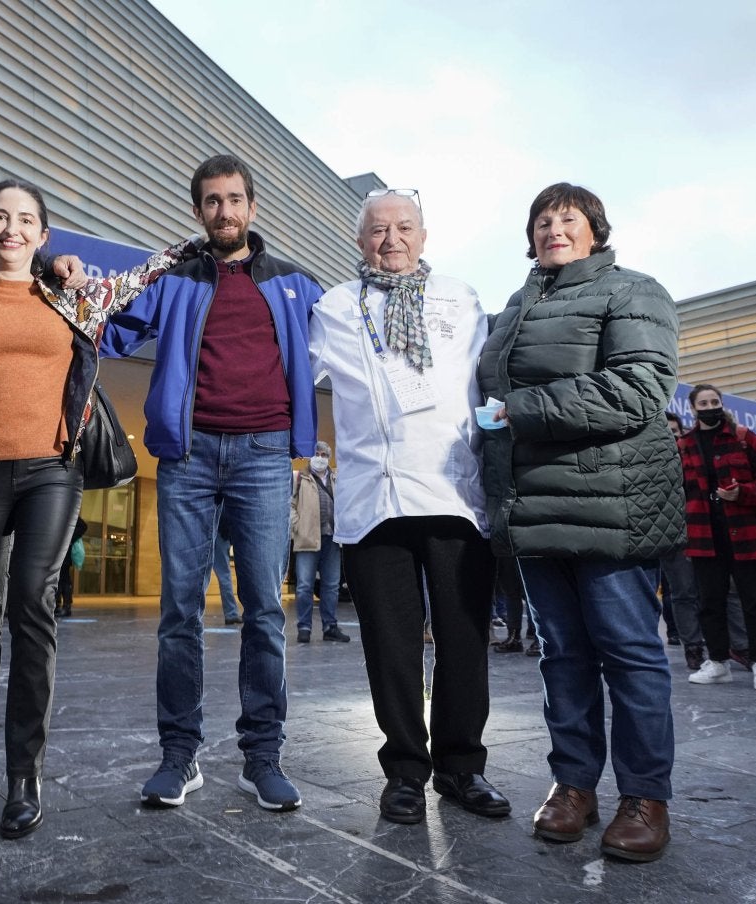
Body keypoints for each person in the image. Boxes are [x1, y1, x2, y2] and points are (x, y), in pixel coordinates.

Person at [0, 178, 193, 839]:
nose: (11, 228)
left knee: (32, 604)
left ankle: (25, 772)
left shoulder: (69, 293)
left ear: (44, 235)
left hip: (53, 469)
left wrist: (182, 248)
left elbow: (135, 282)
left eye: (25, 220)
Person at [101, 154, 323, 813]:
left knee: (262, 611)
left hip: (263, 455)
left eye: (234, 200)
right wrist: (73, 284)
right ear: (198, 210)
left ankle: (263, 757)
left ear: (252, 208)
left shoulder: (292, 282)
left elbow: (352, 342)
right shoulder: (174, 279)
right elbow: (111, 329)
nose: (224, 211)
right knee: (179, 613)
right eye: (211, 202)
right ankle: (179, 756)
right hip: (188, 458)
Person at [478, 183, 683, 862]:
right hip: (535, 505)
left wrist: (522, 410)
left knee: (629, 652)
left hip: (612, 503)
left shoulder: (632, 290)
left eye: (567, 218)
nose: (552, 228)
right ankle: (573, 786)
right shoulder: (515, 306)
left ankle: (645, 796)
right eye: (541, 220)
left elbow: (639, 388)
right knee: (562, 656)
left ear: (595, 229)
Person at [309, 188, 508, 824]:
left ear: (423, 235)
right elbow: (288, 368)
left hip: (454, 492)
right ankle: (402, 771)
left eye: (403, 228)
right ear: (358, 239)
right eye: (376, 230)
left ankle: (462, 768)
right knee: (390, 646)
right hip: (375, 499)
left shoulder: (461, 298)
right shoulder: (335, 307)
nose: (390, 240)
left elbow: (498, 373)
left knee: (462, 641)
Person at [678, 384, 756, 691]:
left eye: (715, 401)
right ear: (693, 407)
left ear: (722, 404)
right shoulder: (684, 443)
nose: (710, 405)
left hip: (748, 531)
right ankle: (719, 662)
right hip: (704, 534)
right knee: (709, 602)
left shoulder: (743, 437)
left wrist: (744, 493)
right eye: (703, 402)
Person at [290, 441, 349, 644]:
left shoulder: (335, 479)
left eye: (324, 454)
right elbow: (290, 504)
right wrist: (296, 525)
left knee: (331, 585)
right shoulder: (301, 478)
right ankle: (304, 627)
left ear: (329, 457)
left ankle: (330, 626)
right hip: (307, 538)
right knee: (304, 585)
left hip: (332, 538)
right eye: (317, 453)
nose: (320, 457)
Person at [660, 411, 706, 670]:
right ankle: (692, 644)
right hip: (671, 535)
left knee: (709, 591)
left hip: (702, 531)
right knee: (682, 592)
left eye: (675, 432)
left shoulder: (696, 456)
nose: (672, 439)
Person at [209, 512, 241, 624]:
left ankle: (231, 612)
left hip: (213, 530)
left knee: (198, 575)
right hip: (220, 533)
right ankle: (231, 613)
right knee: (224, 576)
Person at [55, 517, 88, 618]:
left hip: (64, 554)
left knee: (64, 580)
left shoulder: (69, 511)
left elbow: (83, 526)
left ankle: (66, 606)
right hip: (55, 552)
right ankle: (57, 605)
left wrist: (69, 538)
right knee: (57, 580)